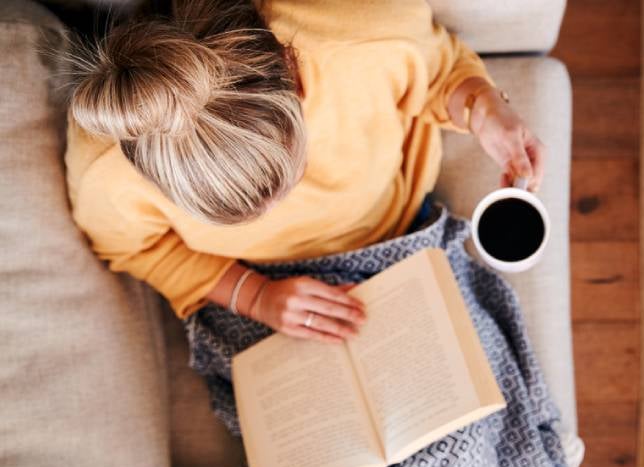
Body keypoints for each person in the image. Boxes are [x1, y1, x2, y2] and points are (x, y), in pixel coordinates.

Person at [64, 0, 545, 341]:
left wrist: (483, 107)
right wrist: (256, 297)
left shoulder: (361, 29)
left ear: (290, 67)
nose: (283, 207)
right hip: (257, 291)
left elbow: (439, 71)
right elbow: (133, 248)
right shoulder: (108, 164)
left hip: (397, 238)